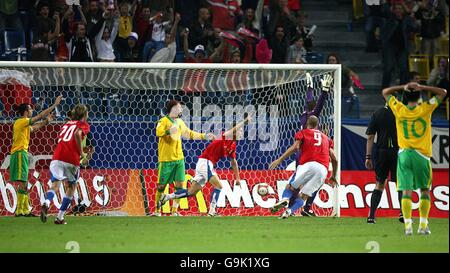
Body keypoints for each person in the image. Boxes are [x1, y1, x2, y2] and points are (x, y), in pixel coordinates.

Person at [382, 82, 447, 235]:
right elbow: (443, 92)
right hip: (422, 155)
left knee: (406, 191)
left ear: (404, 97)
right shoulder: (426, 108)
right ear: (419, 97)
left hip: (404, 154)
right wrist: (423, 87)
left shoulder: (399, 108)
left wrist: (403, 86)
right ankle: (423, 226)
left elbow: (385, 92)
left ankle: (408, 227)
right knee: (424, 190)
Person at [158, 116, 251, 216]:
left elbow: (234, 162)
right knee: (219, 186)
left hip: (206, 164)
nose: (242, 133)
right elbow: (233, 129)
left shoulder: (233, 145)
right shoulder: (226, 136)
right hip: (205, 162)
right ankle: (212, 211)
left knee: (191, 192)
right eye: (240, 131)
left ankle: (166, 197)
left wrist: (237, 178)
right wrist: (245, 122)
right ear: (234, 131)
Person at [152, 99, 215, 216]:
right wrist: (168, 131)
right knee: (161, 185)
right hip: (166, 160)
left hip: (179, 159)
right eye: (180, 107)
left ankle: (174, 211)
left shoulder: (180, 122)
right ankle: (157, 211)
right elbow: (158, 132)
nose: (181, 109)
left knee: (180, 185)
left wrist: (204, 136)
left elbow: (189, 133)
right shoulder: (163, 121)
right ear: (174, 108)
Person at [268, 115, 338, 219]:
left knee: (290, 187)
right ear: (317, 125)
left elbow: (295, 147)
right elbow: (334, 158)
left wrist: (280, 159)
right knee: (304, 196)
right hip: (323, 169)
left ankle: (285, 199)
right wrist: (333, 176)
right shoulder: (327, 138)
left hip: (307, 164)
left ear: (307, 124)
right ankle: (289, 211)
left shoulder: (303, 133)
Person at [10, 95, 62, 217]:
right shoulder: (20, 122)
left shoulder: (25, 126)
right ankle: (21, 211)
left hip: (22, 154)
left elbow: (35, 127)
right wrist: (54, 105)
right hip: (19, 153)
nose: (32, 111)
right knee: (23, 182)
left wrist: (46, 122)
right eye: (30, 109)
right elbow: (38, 117)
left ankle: (22, 210)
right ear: (25, 112)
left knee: (24, 181)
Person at [40, 104, 91, 224]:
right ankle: (59, 217)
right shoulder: (83, 125)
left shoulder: (66, 124)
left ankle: (47, 202)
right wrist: (81, 154)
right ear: (84, 114)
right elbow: (77, 134)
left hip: (57, 157)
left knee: (55, 186)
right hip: (71, 159)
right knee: (71, 187)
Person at [296, 73, 333, 217]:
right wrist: (324, 91)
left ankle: (294, 206)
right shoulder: (311, 118)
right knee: (316, 180)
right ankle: (307, 207)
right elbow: (318, 106)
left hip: (301, 155)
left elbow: (309, 101)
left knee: (298, 182)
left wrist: (309, 88)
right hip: (309, 156)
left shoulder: (304, 115)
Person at [365, 104, 403, 224]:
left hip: (382, 153)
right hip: (398, 152)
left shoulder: (377, 113)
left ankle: (371, 216)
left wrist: (368, 157)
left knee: (380, 184)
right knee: (401, 184)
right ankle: (403, 213)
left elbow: (370, 136)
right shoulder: (402, 112)